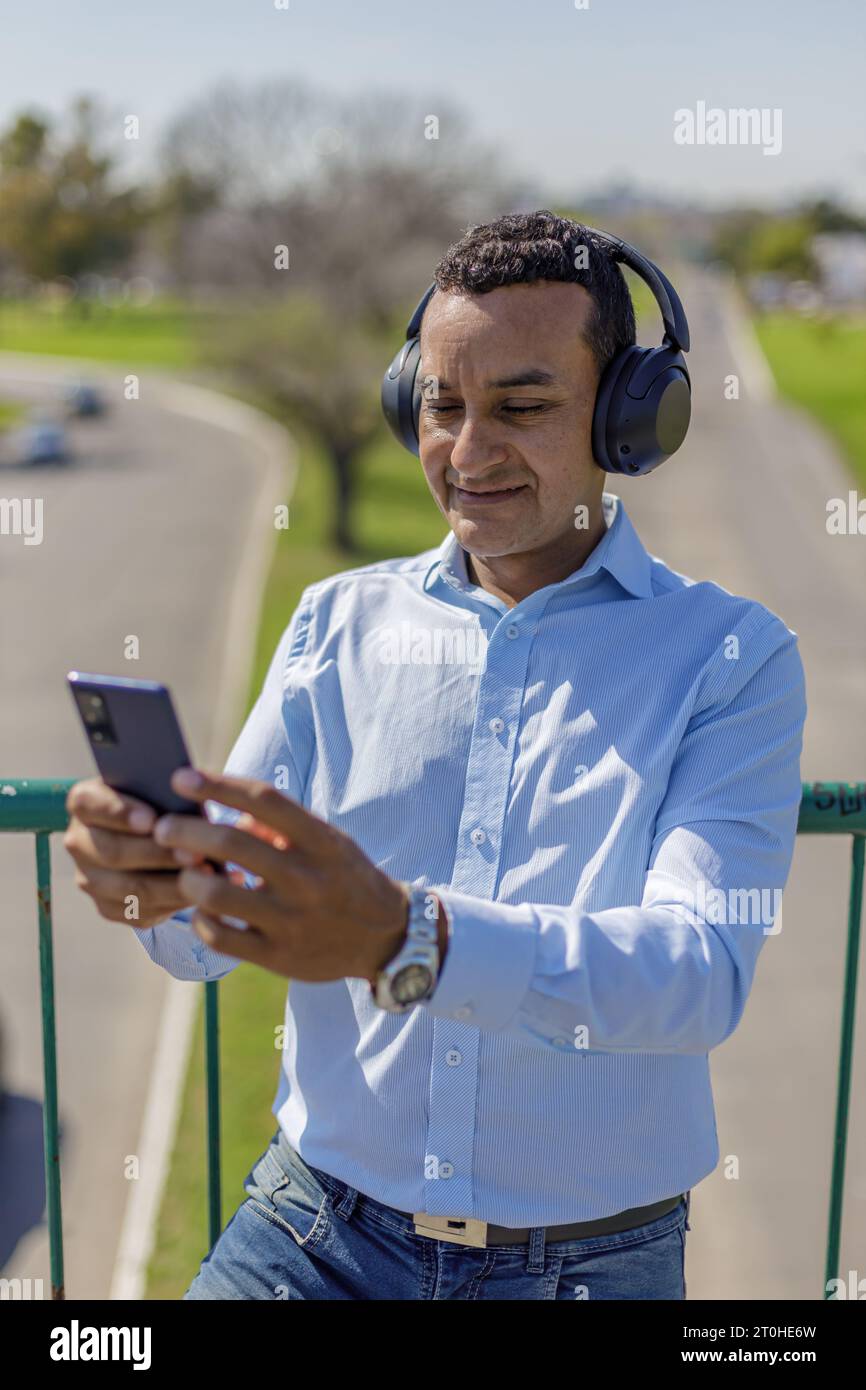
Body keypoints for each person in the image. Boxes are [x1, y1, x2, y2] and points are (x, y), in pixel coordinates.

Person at [64, 211, 806, 1300]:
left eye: (520, 406)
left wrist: (407, 935)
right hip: (310, 1231)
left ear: (628, 418)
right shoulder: (332, 624)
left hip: (585, 1271)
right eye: (442, 406)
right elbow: (198, 945)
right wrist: (151, 890)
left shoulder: (732, 658)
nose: (465, 453)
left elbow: (694, 974)